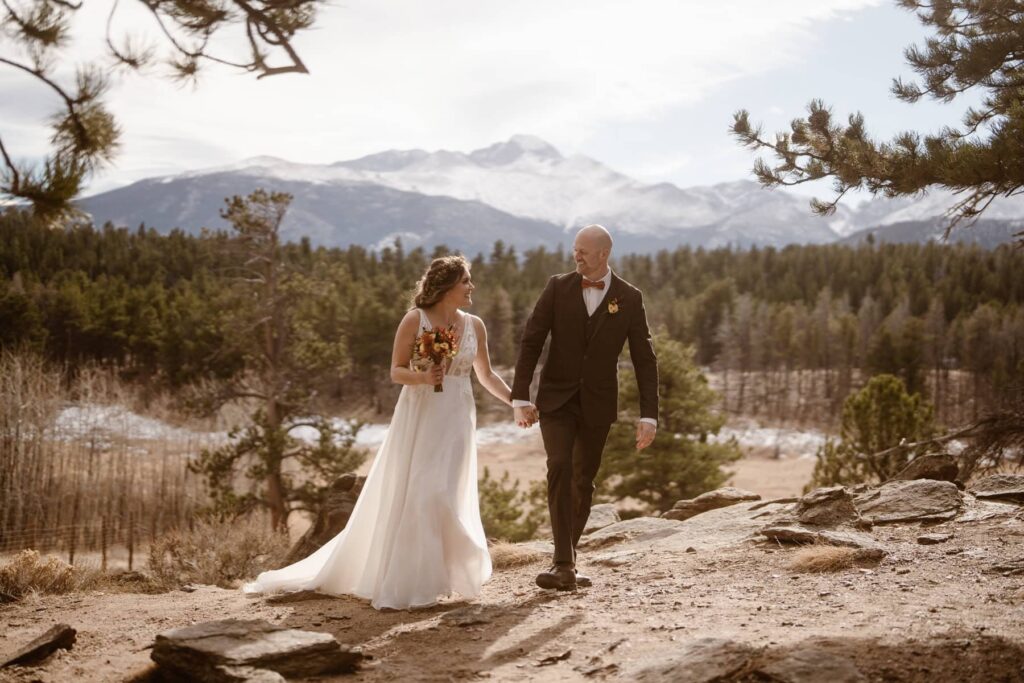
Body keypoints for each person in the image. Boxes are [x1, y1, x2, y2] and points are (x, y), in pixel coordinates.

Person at [244, 255, 512, 609]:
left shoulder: (475, 325)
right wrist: (423, 377)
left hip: (458, 418)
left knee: (449, 490)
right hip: (421, 415)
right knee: (424, 491)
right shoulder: (414, 320)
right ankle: (411, 582)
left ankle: (443, 575)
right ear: (447, 287)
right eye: (466, 281)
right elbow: (396, 371)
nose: (471, 287)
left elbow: (487, 376)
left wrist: (517, 402)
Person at [512, 224, 659, 591]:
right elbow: (531, 341)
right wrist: (520, 396)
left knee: (583, 481)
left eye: (583, 251)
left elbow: (644, 358)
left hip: (598, 403)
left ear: (603, 254)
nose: (575, 256)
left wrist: (648, 414)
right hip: (556, 399)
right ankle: (563, 563)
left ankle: (567, 560)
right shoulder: (557, 287)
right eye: (575, 249)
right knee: (559, 465)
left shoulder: (629, 297)